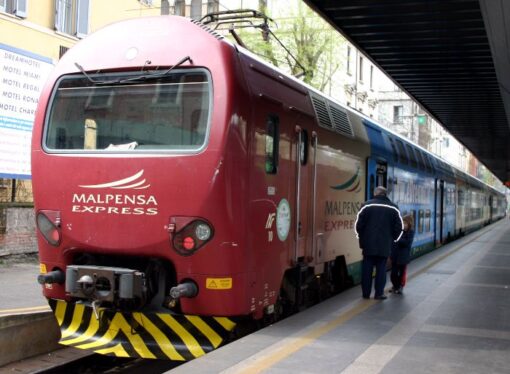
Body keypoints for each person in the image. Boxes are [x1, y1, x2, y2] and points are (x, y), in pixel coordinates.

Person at [355, 186, 403, 300]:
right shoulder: (394, 208)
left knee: (367, 270)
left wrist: (361, 238)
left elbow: (358, 225)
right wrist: (393, 239)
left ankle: (365, 294)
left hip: (368, 245)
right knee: (381, 270)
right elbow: (399, 227)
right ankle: (379, 293)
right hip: (384, 245)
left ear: (375, 193)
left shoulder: (366, 205)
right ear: (385, 194)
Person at [390, 214, 415, 294]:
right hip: (395, 255)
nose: (403, 225)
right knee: (393, 274)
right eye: (402, 223)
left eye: (405, 223)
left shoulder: (411, 232)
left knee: (401, 273)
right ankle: (395, 286)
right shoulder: (399, 231)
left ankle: (400, 287)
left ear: (409, 224)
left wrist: (397, 239)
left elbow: (407, 243)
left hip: (403, 257)